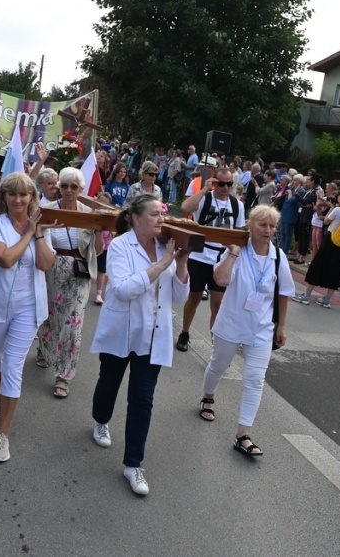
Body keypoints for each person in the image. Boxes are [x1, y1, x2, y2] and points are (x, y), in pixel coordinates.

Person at [88, 193, 190, 495]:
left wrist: (181, 264)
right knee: (109, 382)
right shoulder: (120, 245)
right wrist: (162, 265)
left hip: (154, 335)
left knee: (142, 399)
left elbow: (180, 298)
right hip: (122, 329)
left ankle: (133, 464)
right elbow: (121, 289)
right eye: (155, 214)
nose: (162, 219)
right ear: (135, 218)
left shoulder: (167, 247)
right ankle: (101, 420)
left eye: (163, 214)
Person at [0, 173, 56, 462]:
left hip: (29, 308)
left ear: (32, 197)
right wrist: (29, 234)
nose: (18, 200)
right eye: (12, 194)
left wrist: (40, 233)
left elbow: (46, 264)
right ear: (4, 197)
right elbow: (5, 259)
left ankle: (2, 435)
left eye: (24, 195)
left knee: (13, 366)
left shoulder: (41, 226)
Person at [199, 205, 294, 456]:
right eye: (263, 224)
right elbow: (220, 280)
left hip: (261, 329)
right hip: (231, 322)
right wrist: (231, 253)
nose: (268, 230)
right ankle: (208, 397)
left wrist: (281, 325)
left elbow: (284, 292)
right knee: (218, 366)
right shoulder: (238, 252)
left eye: (272, 226)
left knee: (255, 380)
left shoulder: (278, 256)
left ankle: (243, 434)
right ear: (250, 226)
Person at [37, 167, 104, 397]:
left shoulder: (89, 213)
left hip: (79, 272)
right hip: (51, 268)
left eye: (73, 186)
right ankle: (45, 349)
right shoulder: (46, 210)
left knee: (73, 324)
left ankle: (64, 375)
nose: (67, 190)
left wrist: (98, 231)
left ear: (80, 189)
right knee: (50, 315)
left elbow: (98, 251)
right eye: (64, 185)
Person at [176, 167, 247, 351]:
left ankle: (216, 345)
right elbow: (185, 208)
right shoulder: (205, 198)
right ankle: (185, 332)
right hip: (200, 256)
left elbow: (238, 232)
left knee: (218, 304)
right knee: (194, 298)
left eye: (229, 184)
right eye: (221, 183)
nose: (225, 187)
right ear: (214, 183)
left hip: (222, 259)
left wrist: (234, 254)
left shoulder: (236, 204)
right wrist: (203, 190)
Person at [293, 188, 340, 308]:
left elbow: (326, 221)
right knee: (336, 269)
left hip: (331, 240)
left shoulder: (337, 209)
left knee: (317, 265)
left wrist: (331, 207)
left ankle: (306, 295)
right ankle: (327, 299)